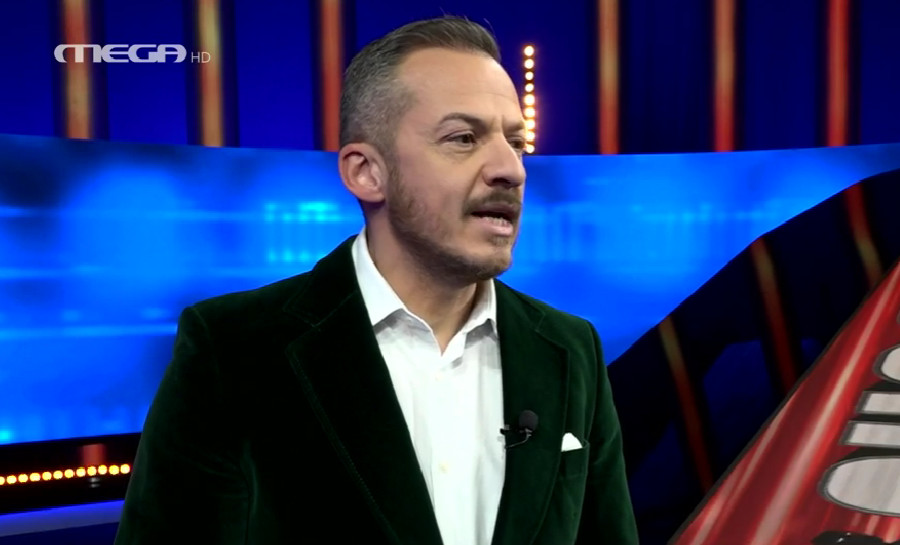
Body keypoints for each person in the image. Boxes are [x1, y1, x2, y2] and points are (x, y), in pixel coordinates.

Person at [115, 16, 638, 545]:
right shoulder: (232, 349)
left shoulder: (571, 348)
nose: (512, 169)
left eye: (516, 142)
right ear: (366, 172)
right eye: (463, 138)